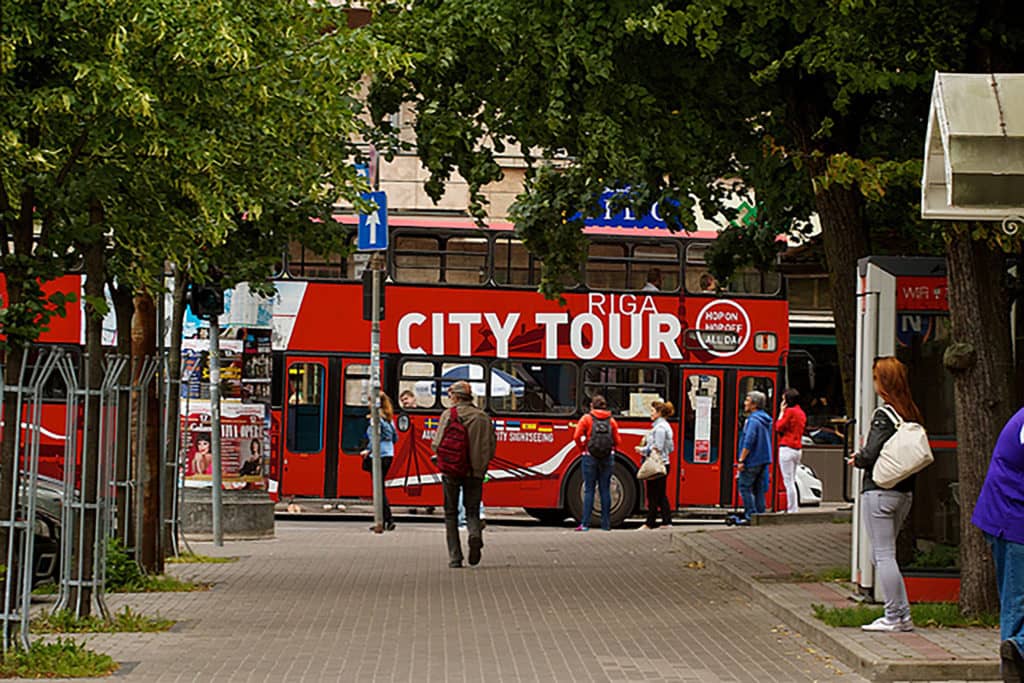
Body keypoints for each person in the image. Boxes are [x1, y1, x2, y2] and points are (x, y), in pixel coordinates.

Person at [847, 356, 922, 632]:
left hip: (879, 492)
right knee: (884, 554)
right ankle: (901, 615)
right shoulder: (911, 411)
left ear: (884, 383)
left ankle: (895, 616)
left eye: (877, 378)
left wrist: (858, 458)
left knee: (882, 555)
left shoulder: (884, 415)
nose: (874, 382)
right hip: (904, 493)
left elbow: (871, 453)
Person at [972, 406, 1024, 680]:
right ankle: (1015, 661)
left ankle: (1014, 661)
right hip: (1013, 520)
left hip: (1006, 516)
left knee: (1015, 601)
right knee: (1017, 602)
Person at [431, 380, 496, 568]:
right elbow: (490, 447)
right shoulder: (483, 417)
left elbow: (437, 443)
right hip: (475, 471)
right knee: (472, 510)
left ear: (457, 397)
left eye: (451, 395)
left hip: (452, 470)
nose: (450, 398)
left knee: (451, 513)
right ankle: (474, 534)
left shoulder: (449, 415)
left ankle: (455, 557)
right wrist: (481, 464)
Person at [572, 394, 621, 531]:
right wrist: (611, 449)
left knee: (589, 489)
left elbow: (576, 436)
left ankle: (585, 524)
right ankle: (605, 525)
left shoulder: (587, 419)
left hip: (589, 456)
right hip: (607, 457)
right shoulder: (611, 421)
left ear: (591, 406)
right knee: (605, 490)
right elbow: (618, 441)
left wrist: (583, 449)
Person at [362, 392, 399, 531]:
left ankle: (386, 520)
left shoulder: (376, 418)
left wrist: (368, 450)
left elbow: (374, 437)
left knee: (378, 490)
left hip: (379, 455)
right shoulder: (389, 418)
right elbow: (395, 437)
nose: (368, 404)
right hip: (388, 453)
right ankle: (385, 520)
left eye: (370, 401)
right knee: (380, 488)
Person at [736, 390, 772, 525]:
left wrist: (741, 459)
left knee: (744, 487)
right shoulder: (766, 419)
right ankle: (760, 516)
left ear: (754, 404)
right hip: (764, 459)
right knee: (759, 489)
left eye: (747, 400)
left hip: (752, 460)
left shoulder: (753, 421)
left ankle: (750, 515)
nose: (745, 403)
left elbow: (749, 441)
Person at [637, 400, 674, 530]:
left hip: (658, 464)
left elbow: (657, 447)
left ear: (659, 413)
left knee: (654, 494)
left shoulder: (660, 429)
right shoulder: (663, 426)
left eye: (652, 411)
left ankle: (651, 522)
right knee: (658, 494)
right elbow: (670, 448)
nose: (650, 414)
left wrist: (642, 450)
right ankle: (664, 521)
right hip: (663, 463)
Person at [775, 388, 808, 513]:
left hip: (786, 447)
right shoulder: (801, 412)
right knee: (792, 479)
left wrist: (781, 412)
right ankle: (793, 508)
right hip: (797, 448)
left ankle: (791, 509)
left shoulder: (789, 412)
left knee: (787, 481)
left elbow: (778, 426)